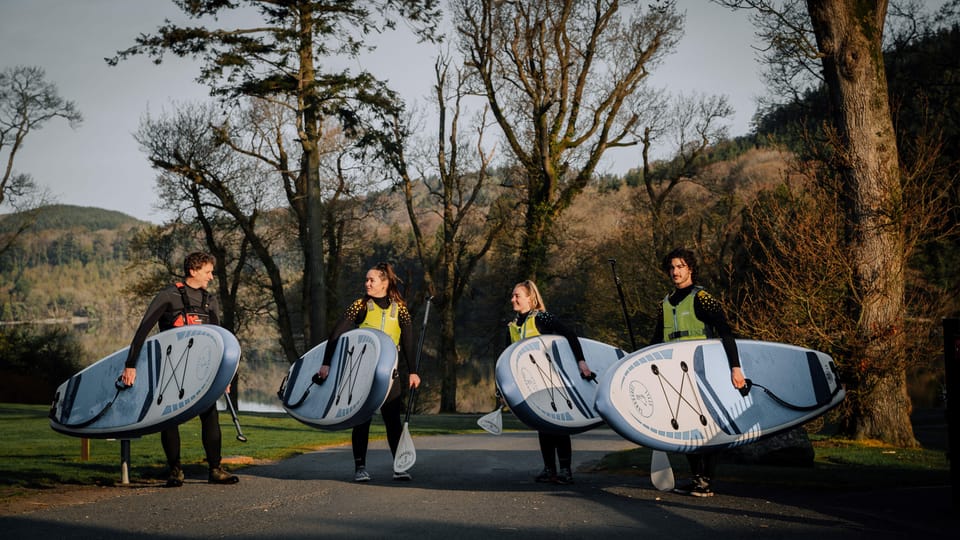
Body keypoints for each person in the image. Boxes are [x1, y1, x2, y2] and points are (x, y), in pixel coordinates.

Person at [120, 251, 239, 487]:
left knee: (210, 415)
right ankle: (175, 472)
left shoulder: (210, 301)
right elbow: (143, 330)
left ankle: (215, 469)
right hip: (170, 371)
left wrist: (224, 375)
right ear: (193, 271)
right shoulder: (168, 296)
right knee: (169, 419)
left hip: (201, 372)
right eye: (208, 272)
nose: (211, 277)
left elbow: (219, 340)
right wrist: (130, 365)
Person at [650, 247, 745, 497]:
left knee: (706, 427)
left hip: (703, 372)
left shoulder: (702, 298)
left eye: (680, 266)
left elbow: (725, 331)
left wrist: (735, 368)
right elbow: (654, 341)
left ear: (690, 269)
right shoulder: (665, 303)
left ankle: (705, 481)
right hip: (675, 376)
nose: (675, 271)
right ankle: (697, 480)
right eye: (672, 267)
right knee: (685, 428)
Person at [315, 262, 421, 483]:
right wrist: (326, 364)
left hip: (390, 375)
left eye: (371, 280)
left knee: (393, 422)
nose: (367, 283)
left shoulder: (399, 308)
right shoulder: (360, 305)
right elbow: (336, 334)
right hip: (363, 374)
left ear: (384, 283)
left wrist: (413, 372)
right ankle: (360, 467)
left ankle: (399, 467)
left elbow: (408, 340)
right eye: (366, 280)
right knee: (362, 420)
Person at [507, 280, 593, 485]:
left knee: (558, 425)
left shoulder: (542, 317)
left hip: (552, 380)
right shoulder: (512, 326)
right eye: (512, 295)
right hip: (530, 384)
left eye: (517, 295)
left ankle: (565, 470)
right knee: (542, 425)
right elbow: (505, 360)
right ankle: (549, 469)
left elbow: (570, 334)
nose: (513, 299)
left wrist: (581, 362)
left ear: (530, 298)